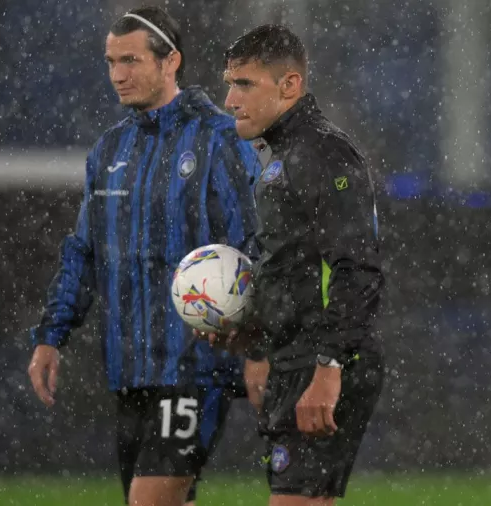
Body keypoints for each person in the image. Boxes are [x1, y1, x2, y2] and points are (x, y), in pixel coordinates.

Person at [25, 6, 260, 506]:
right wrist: (51, 336)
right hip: (130, 368)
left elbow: (255, 242)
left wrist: (258, 341)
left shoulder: (220, 139)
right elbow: (83, 251)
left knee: (149, 501)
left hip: (196, 364)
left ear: (170, 60)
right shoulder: (109, 150)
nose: (117, 75)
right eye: (111, 61)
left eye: (129, 60)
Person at [219, 24, 384, 506]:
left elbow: (357, 269)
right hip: (294, 357)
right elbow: (291, 269)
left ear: (289, 85)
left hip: (324, 360)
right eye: (229, 83)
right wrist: (253, 337)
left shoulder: (322, 152)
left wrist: (328, 368)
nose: (230, 100)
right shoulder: (282, 153)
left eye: (244, 84)